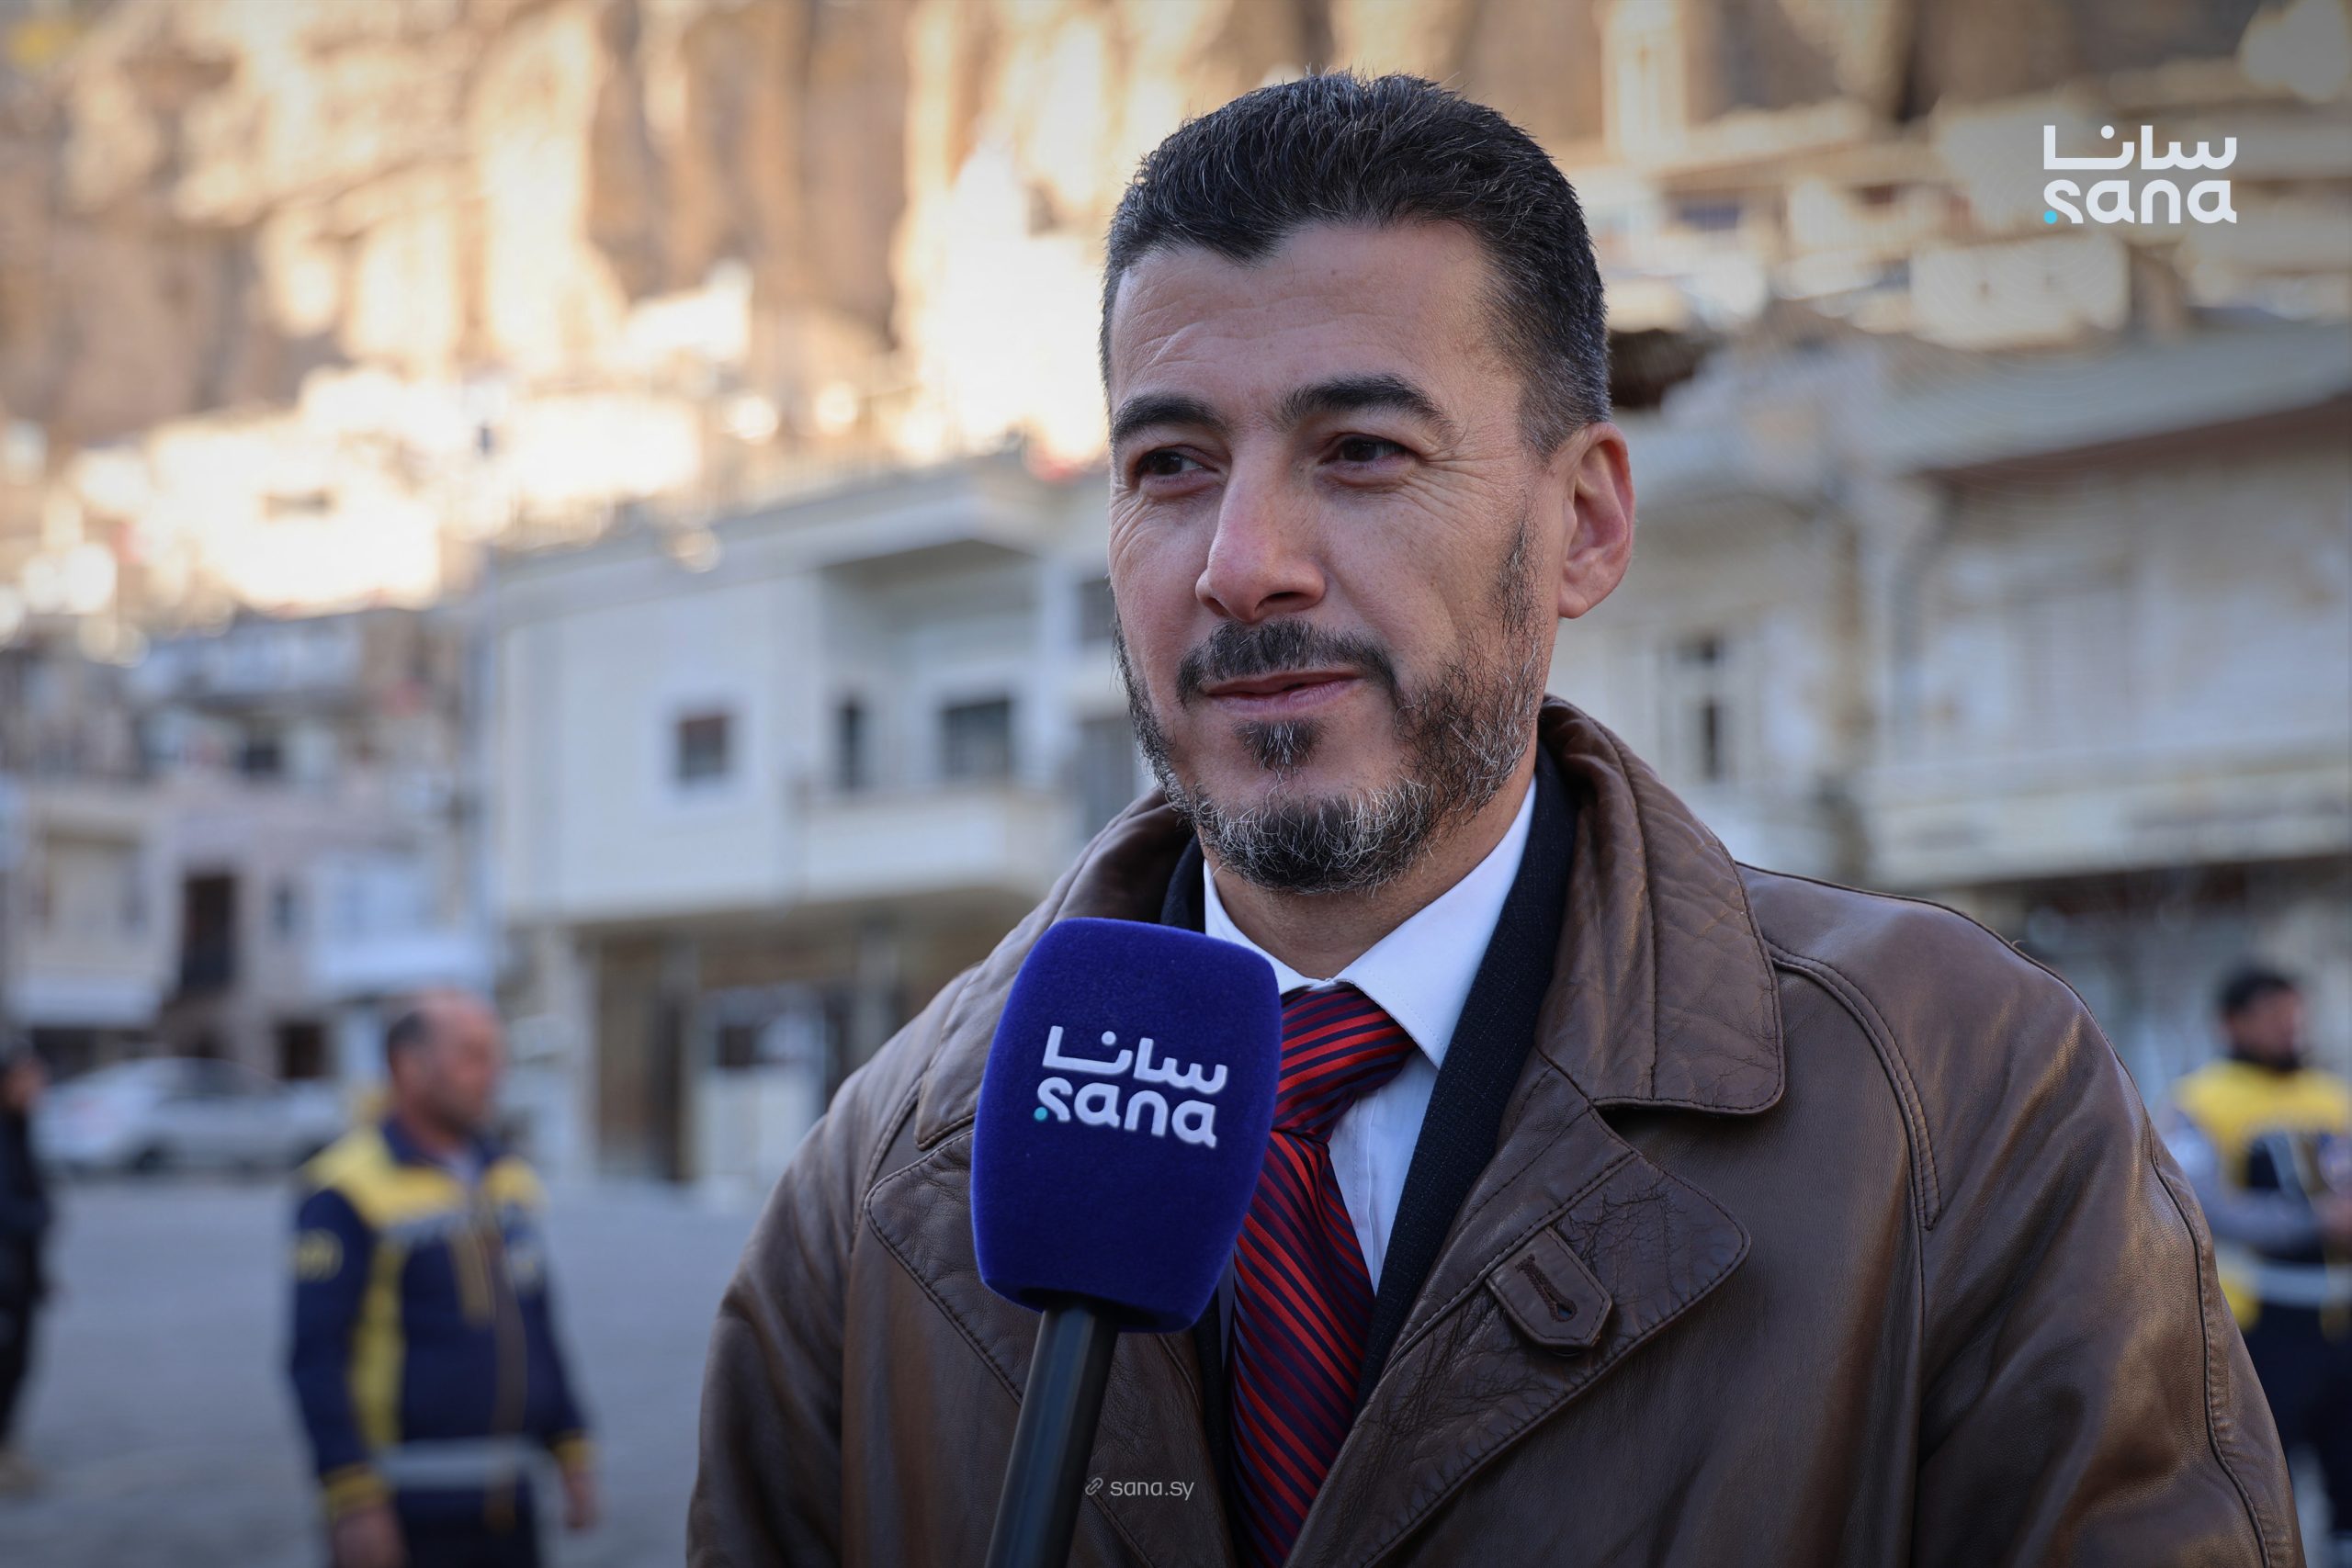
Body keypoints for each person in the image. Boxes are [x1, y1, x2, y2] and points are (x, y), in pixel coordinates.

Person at [689, 73, 2297, 1566]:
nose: (1242, 563)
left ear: (1584, 521)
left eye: (1362, 451)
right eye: (1171, 463)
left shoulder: (1963, 1100)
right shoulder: (879, 1181)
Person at [288, 992, 598, 1568]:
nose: (494, 1074)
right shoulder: (345, 1190)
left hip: (509, 1507)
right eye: (472, 1056)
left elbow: (538, 1324)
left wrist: (571, 1448)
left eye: (495, 1056)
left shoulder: (507, 1178)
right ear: (409, 1066)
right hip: (405, 1509)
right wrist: (353, 1497)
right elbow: (316, 1356)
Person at [2168, 965, 2352, 1565]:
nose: (2288, 1025)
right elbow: (2203, 1204)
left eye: (2294, 1011)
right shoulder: (2201, 1100)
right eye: (2273, 1013)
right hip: (2257, 1330)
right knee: (2264, 1493)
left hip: (2340, 1322)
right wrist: (2314, 1221)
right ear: (2232, 1022)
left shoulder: (2332, 1095)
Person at [0, 1038, 50, 1497]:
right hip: (5, 1277)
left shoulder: (21, 1127)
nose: (37, 1087)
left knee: (20, 1364)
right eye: (27, 1078)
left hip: (21, 1274)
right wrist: (38, 1215)